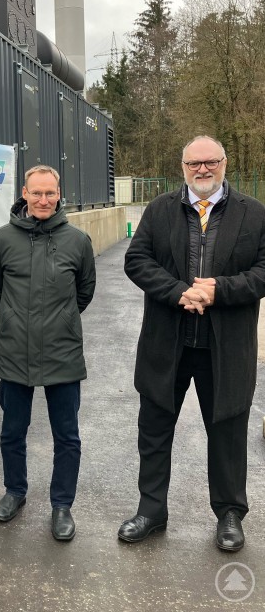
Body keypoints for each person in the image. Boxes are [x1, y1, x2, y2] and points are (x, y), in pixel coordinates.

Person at [119, 135, 265, 552]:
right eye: (194, 163)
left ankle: (230, 514)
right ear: (183, 167)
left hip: (226, 349)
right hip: (167, 344)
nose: (203, 170)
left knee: (228, 433)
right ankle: (151, 511)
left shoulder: (253, 213)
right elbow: (137, 260)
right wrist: (179, 292)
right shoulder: (160, 209)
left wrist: (220, 290)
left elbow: (263, 270)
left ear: (224, 163)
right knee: (154, 430)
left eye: (210, 162)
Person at [0, 165, 96, 541]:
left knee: (67, 436)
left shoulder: (78, 241)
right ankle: (14, 491)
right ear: (25, 193)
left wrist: (59, 321)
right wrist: (16, 320)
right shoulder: (1, 240)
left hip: (63, 353)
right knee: (12, 431)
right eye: (37, 193)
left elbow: (84, 292)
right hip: (14, 352)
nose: (43, 200)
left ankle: (62, 505)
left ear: (59, 194)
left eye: (50, 193)